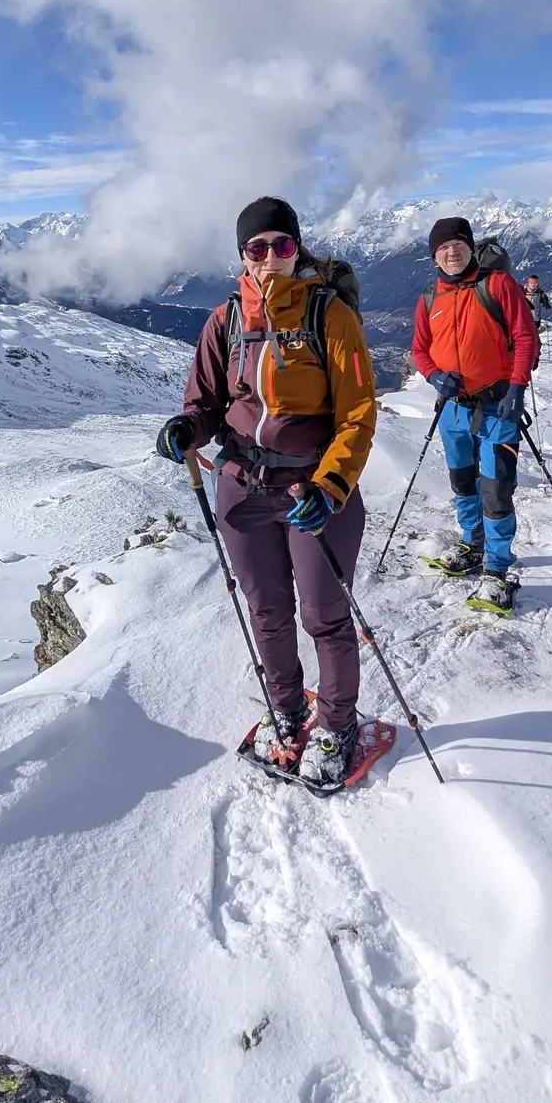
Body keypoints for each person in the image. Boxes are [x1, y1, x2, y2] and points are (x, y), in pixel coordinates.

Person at [154, 196, 377, 786]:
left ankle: (336, 724)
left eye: (283, 245)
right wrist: (188, 428)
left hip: (314, 491)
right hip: (243, 489)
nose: (272, 256)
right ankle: (287, 707)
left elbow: (357, 413)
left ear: (296, 247)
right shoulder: (226, 321)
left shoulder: (330, 315)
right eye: (258, 247)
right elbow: (204, 402)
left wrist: (332, 484)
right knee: (267, 610)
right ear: (243, 256)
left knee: (325, 616)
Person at [410, 217, 540, 614]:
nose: (452, 252)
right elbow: (419, 350)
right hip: (453, 408)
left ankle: (498, 570)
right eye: (443, 247)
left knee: (496, 490)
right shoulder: (429, 299)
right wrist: (434, 376)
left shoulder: (498, 286)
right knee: (462, 482)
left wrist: (517, 388)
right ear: (434, 255)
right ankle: (472, 544)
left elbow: (524, 338)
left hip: (497, 404)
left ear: (470, 247)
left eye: (459, 244)